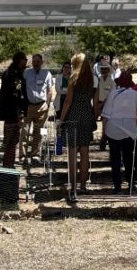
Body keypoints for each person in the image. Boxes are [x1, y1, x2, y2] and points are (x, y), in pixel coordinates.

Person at [100, 70, 137, 194]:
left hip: (112, 130)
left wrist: (103, 136)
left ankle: (117, 187)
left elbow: (106, 116)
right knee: (129, 159)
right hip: (130, 130)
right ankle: (131, 185)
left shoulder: (113, 94)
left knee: (115, 160)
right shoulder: (135, 94)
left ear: (119, 82)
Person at [58, 52, 96, 202]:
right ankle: (83, 186)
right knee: (85, 152)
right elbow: (94, 101)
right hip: (87, 116)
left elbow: (68, 101)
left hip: (74, 117)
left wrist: (61, 120)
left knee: (73, 153)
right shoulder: (91, 79)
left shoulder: (73, 79)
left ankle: (73, 188)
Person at [0, 52, 28, 168]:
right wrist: (20, 115)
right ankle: (7, 167)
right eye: (25, 59)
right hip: (13, 115)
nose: (26, 62)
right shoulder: (14, 75)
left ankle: (8, 165)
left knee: (11, 143)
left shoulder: (9, 73)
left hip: (9, 114)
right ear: (20, 61)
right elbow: (17, 96)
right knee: (10, 142)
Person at [22, 53, 54, 164]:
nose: (36, 63)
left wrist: (48, 104)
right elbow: (22, 87)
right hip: (29, 106)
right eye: (34, 61)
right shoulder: (26, 73)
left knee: (39, 132)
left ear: (42, 62)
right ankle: (23, 155)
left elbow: (50, 90)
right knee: (24, 130)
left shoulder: (47, 73)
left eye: (38, 61)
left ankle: (35, 155)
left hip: (42, 106)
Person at [95, 61, 116, 151]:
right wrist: (97, 104)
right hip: (96, 103)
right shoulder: (97, 80)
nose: (103, 70)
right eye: (102, 69)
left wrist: (102, 104)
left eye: (105, 69)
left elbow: (112, 95)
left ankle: (103, 142)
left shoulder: (111, 82)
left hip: (107, 105)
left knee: (105, 125)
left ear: (108, 70)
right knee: (91, 122)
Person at [53, 60, 72, 156]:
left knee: (69, 124)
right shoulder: (58, 77)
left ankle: (67, 144)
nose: (66, 69)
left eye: (68, 67)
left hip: (71, 105)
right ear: (62, 68)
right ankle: (59, 146)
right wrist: (68, 92)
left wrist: (67, 91)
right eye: (65, 67)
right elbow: (58, 89)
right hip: (60, 103)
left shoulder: (72, 78)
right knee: (60, 123)